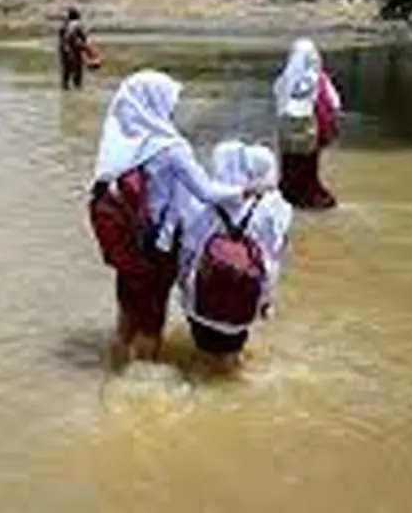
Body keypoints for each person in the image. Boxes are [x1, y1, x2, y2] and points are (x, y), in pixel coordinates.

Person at [87, 70, 273, 364]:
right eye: (170, 101)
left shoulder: (119, 144)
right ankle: (144, 378)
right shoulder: (172, 148)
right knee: (151, 316)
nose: (174, 108)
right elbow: (208, 192)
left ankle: (119, 358)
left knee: (128, 301)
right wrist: (248, 189)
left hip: (127, 242)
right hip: (155, 246)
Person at [176, 140, 294, 372]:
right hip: (245, 300)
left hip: (199, 299)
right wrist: (266, 301)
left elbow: (187, 252)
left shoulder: (201, 200)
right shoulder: (275, 208)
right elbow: (273, 256)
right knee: (231, 359)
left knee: (202, 358)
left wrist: (183, 289)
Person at [273, 37, 342, 209]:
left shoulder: (286, 78)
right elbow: (335, 104)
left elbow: (277, 98)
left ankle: (289, 195)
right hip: (311, 132)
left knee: (290, 164)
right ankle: (309, 196)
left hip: (288, 133)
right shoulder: (320, 79)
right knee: (308, 166)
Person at [57, 7, 89, 90]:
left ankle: (65, 91)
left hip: (64, 52)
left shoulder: (63, 26)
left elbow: (61, 40)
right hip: (75, 52)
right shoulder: (77, 25)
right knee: (77, 76)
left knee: (66, 75)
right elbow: (84, 38)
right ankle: (78, 91)